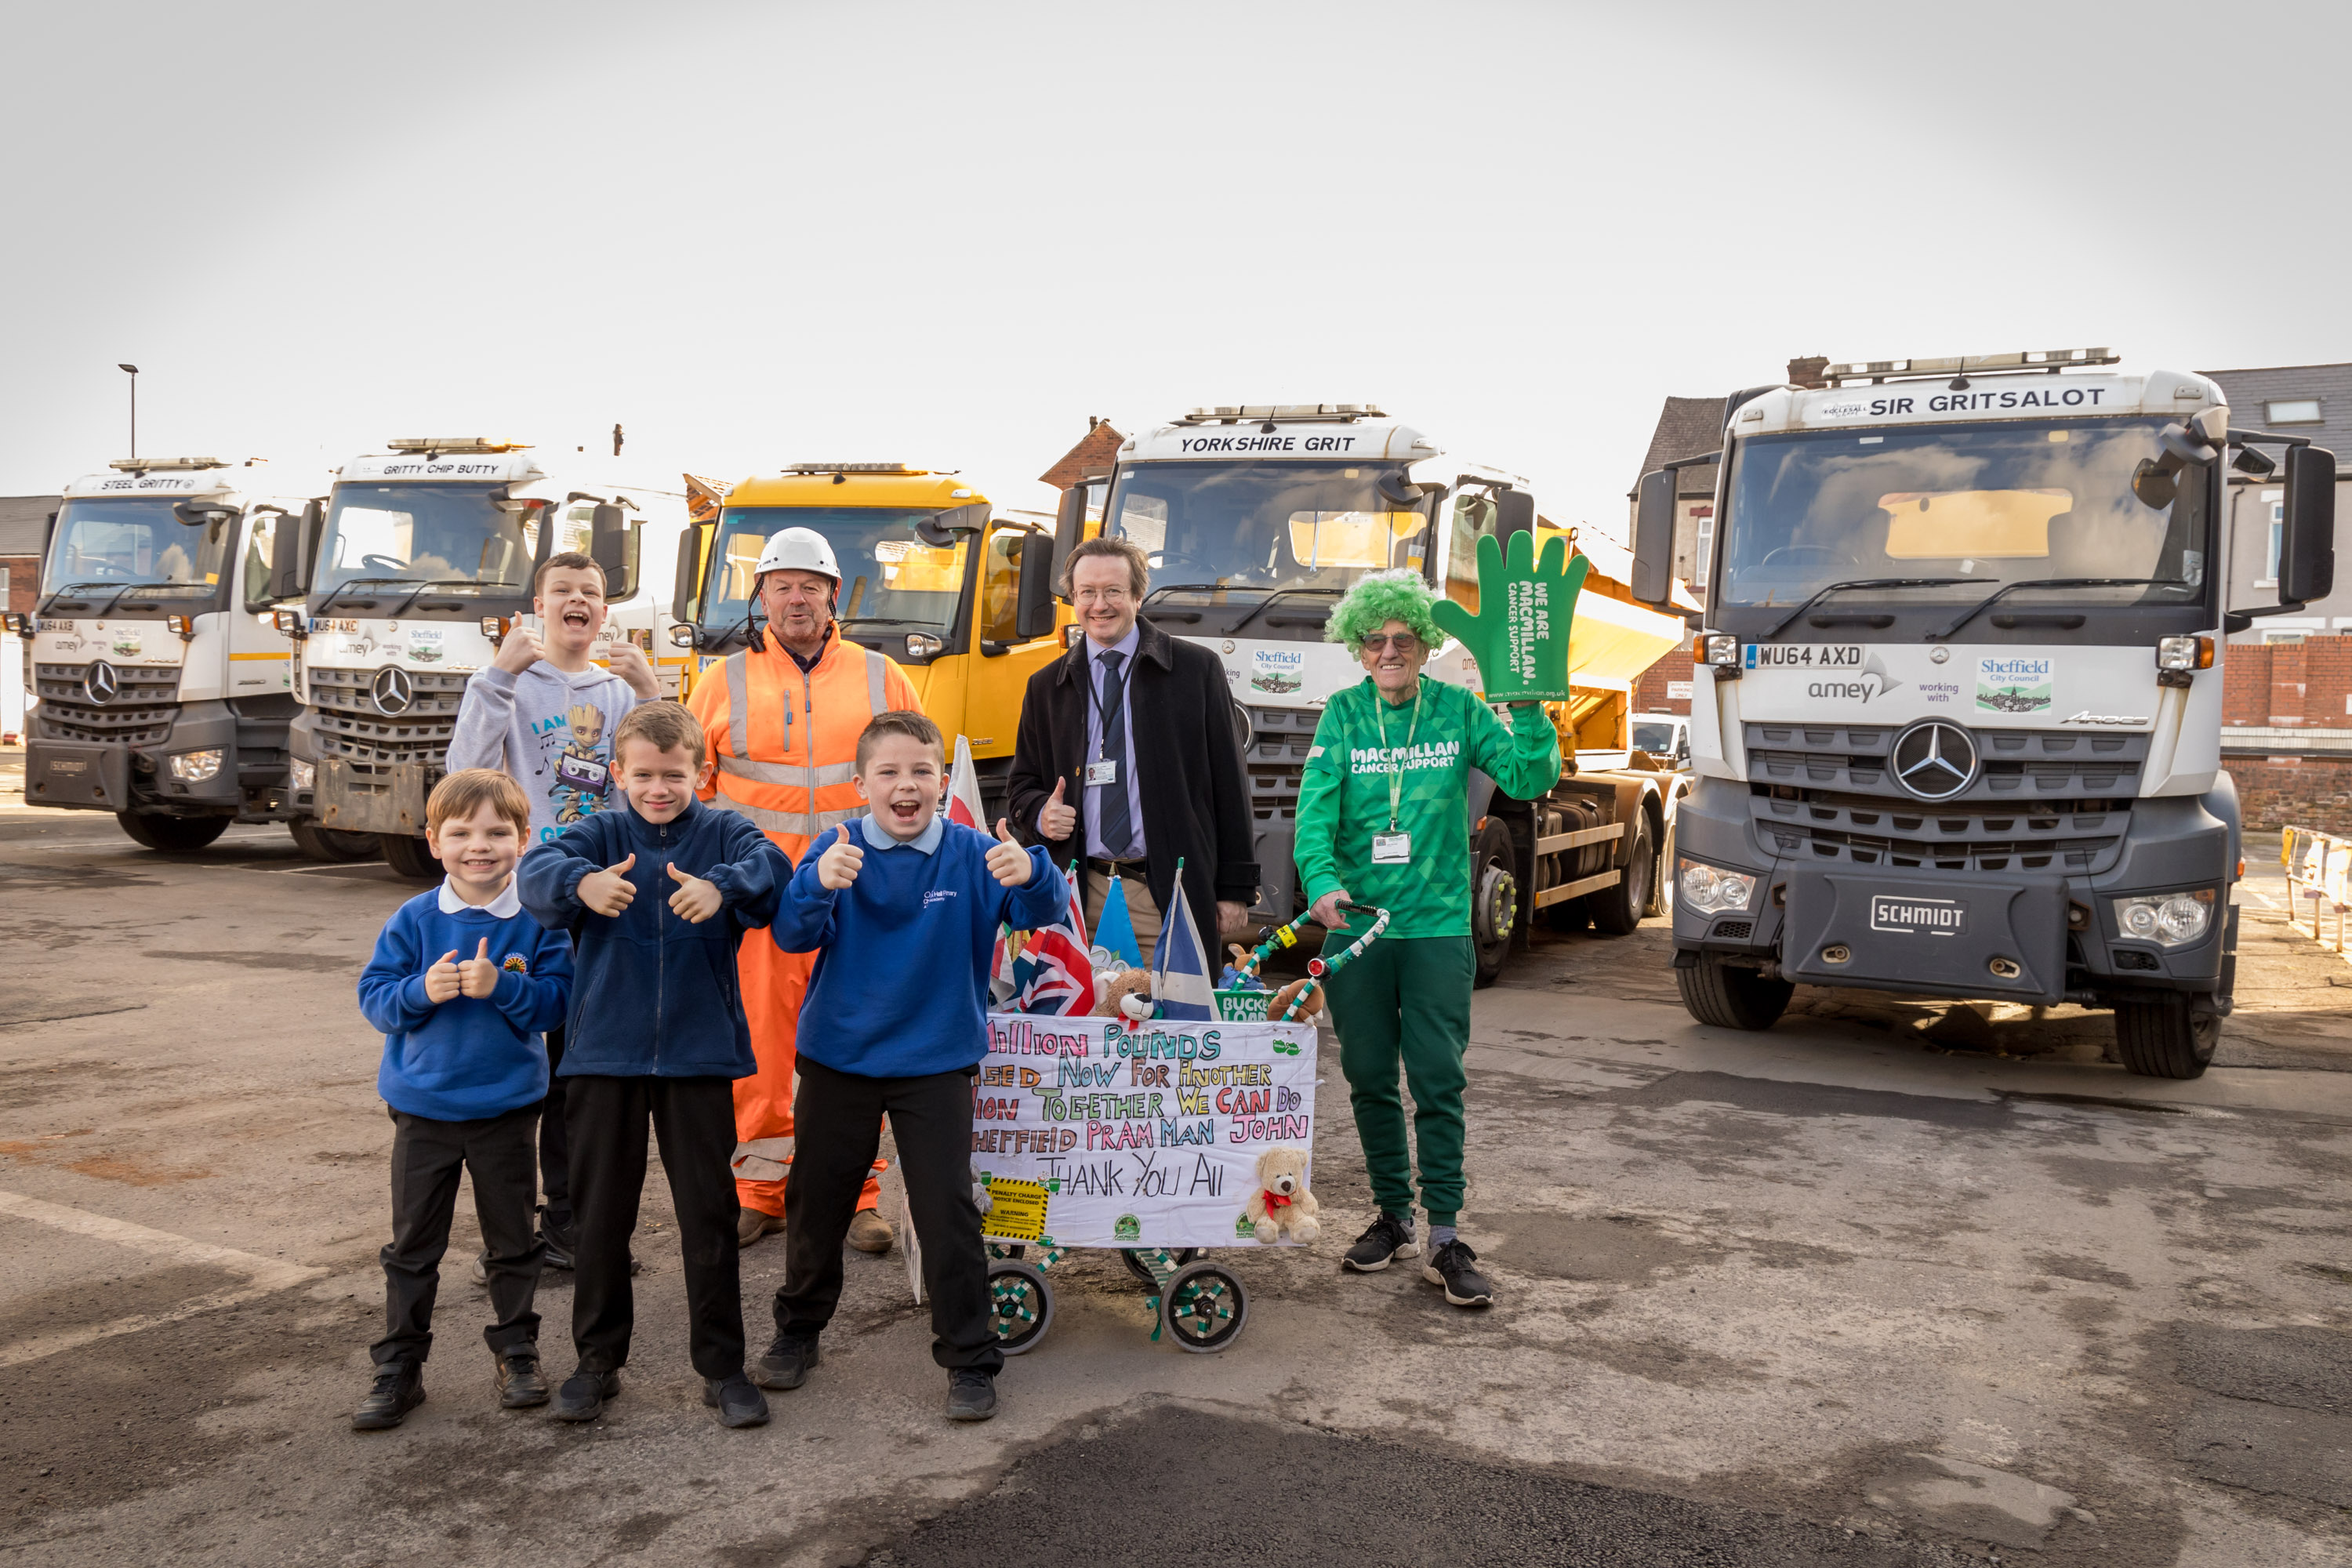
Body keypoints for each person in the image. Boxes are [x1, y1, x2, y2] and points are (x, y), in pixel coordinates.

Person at [756, 709, 1067, 1421]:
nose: (906, 785)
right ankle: (797, 1333)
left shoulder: (969, 852)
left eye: (920, 771)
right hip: (841, 1057)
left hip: (935, 1059)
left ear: (939, 782)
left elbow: (1039, 912)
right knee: (817, 1203)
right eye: (889, 772)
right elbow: (792, 934)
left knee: (946, 1209)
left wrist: (1034, 866)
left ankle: (969, 1358)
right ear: (859, 782)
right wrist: (814, 886)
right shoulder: (834, 850)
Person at [517, 701, 790, 1428]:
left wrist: (722, 886)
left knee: (709, 1213)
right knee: (602, 1215)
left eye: (674, 775)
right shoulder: (599, 833)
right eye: (643, 775)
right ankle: (596, 1362)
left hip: (698, 1058)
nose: (658, 788)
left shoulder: (723, 831)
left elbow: (773, 866)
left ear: (702, 772)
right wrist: (579, 885)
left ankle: (723, 1367)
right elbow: (536, 870)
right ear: (618, 774)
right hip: (604, 1056)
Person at [1293, 570, 1561, 1308]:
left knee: (1438, 1082)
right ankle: (1393, 1217)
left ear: (1423, 643)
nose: (1389, 651)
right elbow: (1314, 816)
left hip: (1439, 927)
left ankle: (1445, 1234)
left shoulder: (1460, 710)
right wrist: (1319, 883)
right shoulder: (1342, 717)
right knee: (1371, 1078)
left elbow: (1529, 775)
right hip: (1360, 931)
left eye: (1402, 639)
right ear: (1357, 646)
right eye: (1374, 640)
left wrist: (1531, 713)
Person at [688, 527, 921, 1253]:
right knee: (762, 1045)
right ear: (759, 597)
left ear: (834, 596)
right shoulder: (719, 682)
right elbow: (694, 791)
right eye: (781, 585)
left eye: (809, 586)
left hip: (861, 894)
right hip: (761, 897)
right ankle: (761, 1190)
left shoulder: (883, 676)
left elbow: (917, 778)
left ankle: (859, 1195)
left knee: (858, 1045)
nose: (796, 598)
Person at [445, 550, 659, 1272]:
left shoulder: (620, 690)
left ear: (605, 610)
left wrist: (653, 690)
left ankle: (569, 1219)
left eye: (590, 593)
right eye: (562, 590)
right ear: (539, 607)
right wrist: (498, 675)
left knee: (579, 1075)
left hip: (598, 910)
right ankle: (509, 1233)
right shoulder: (510, 683)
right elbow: (464, 774)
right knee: (513, 1069)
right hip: (523, 906)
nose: (577, 601)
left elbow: (663, 781)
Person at [351, 768, 574, 1430]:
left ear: (524, 839)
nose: (480, 845)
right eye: (461, 833)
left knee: (513, 1242)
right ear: (433, 841)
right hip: (423, 1111)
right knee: (413, 1246)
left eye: (497, 832)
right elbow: (376, 999)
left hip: (506, 1110)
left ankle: (518, 1349)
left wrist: (501, 989)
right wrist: (423, 991)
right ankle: (399, 1367)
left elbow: (559, 1001)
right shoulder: (414, 919)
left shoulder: (538, 921)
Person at [1006, 535, 1257, 961]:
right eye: (1087, 592)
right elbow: (1022, 785)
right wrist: (1040, 814)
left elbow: (1230, 785)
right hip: (1079, 895)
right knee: (1082, 1024)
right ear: (1073, 598)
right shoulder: (1046, 687)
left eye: (1113, 592)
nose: (1099, 605)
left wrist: (1234, 889)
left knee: (1176, 1025)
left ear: (1138, 596)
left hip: (1166, 892)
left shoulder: (1196, 671)